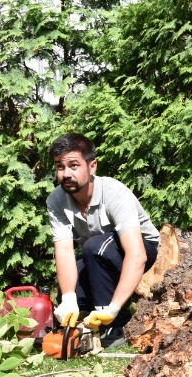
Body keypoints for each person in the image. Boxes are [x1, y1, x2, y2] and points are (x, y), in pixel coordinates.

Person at [46, 133, 160, 347]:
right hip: (97, 251)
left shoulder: (114, 192)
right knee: (72, 295)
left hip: (141, 247)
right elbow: (64, 252)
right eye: (60, 167)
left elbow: (137, 255)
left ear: (92, 166)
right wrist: (69, 298)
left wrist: (112, 308)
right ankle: (89, 324)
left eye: (73, 165)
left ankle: (117, 323)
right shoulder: (56, 200)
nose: (66, 174)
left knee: (95, 247)